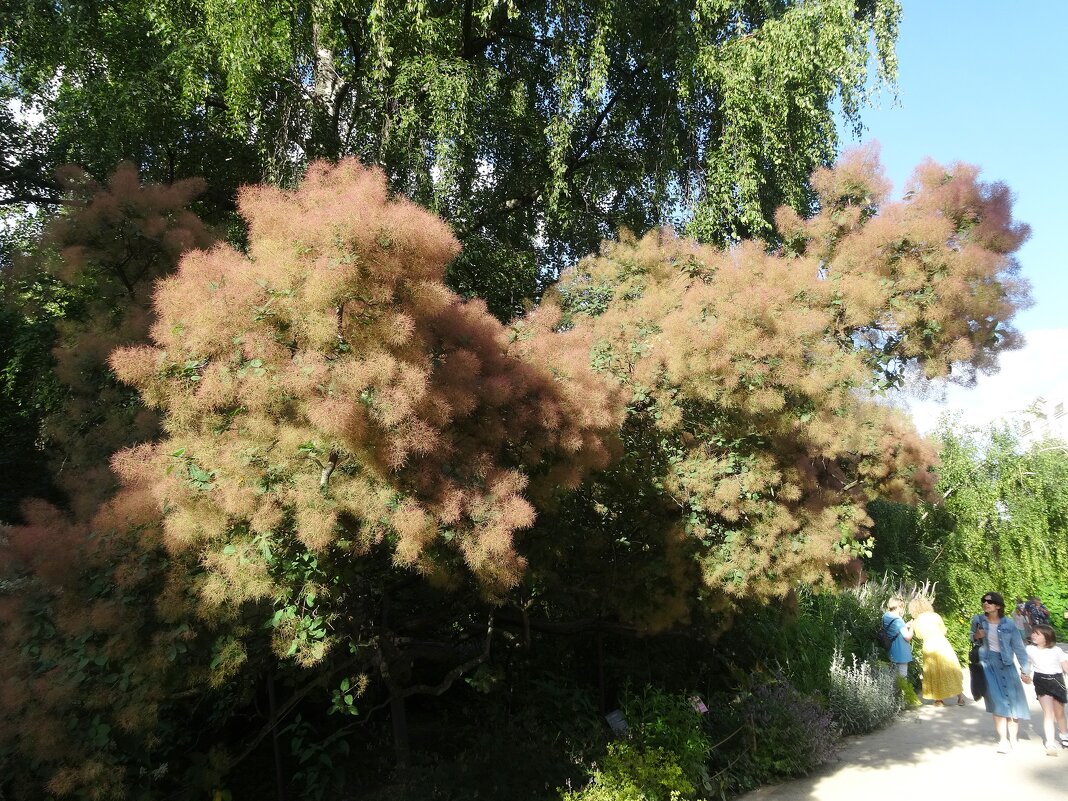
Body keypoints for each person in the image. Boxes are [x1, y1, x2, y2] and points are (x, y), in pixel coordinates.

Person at [971, 591, 1032, 753]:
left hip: (1006, 665)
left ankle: (1013, 739)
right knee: (997, 703)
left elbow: (1019, 648)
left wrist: (1025, 670)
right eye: (984, 601)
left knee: (1014, 704)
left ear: (998, 605)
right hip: (987, 665)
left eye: (989, 602)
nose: (985, 604)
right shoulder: (978, 620)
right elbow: (972, 638)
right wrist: (977, 635)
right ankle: (1003, 740)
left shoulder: (1009, 624)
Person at [907, 596, 965, 706]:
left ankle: (939, 700)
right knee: (950, 669)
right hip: (942, 643)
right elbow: (944, 630)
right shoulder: (935, 616)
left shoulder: (917, 621)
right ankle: (960, 697)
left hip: (929, 646)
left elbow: (919, 636)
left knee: (933, 672)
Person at [1025, 624, 1068, 755]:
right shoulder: (1030, 649)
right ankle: (1050, 743)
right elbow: (1026, 664)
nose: (1033, 635)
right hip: (1040, 681)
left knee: (1059, 713)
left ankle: (1064, 735)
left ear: (1047, 637)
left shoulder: (1057, 651)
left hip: (1056, 681)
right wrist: (1024, 674)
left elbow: (1066, 667)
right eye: (1033, 633)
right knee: (1048, 713)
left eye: (1037, 634)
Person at [882, 597, 913, 679]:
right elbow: (907, 637)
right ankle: (901, 692)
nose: (902, 609)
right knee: (902, 677)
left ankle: (892, 692)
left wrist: (905, 626)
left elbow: (893, 629)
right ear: (898, 607)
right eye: (902, 607)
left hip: (890, 649)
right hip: (901, 651)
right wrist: (912, 627)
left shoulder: (885, 616)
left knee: (892, 676)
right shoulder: (899, 620)